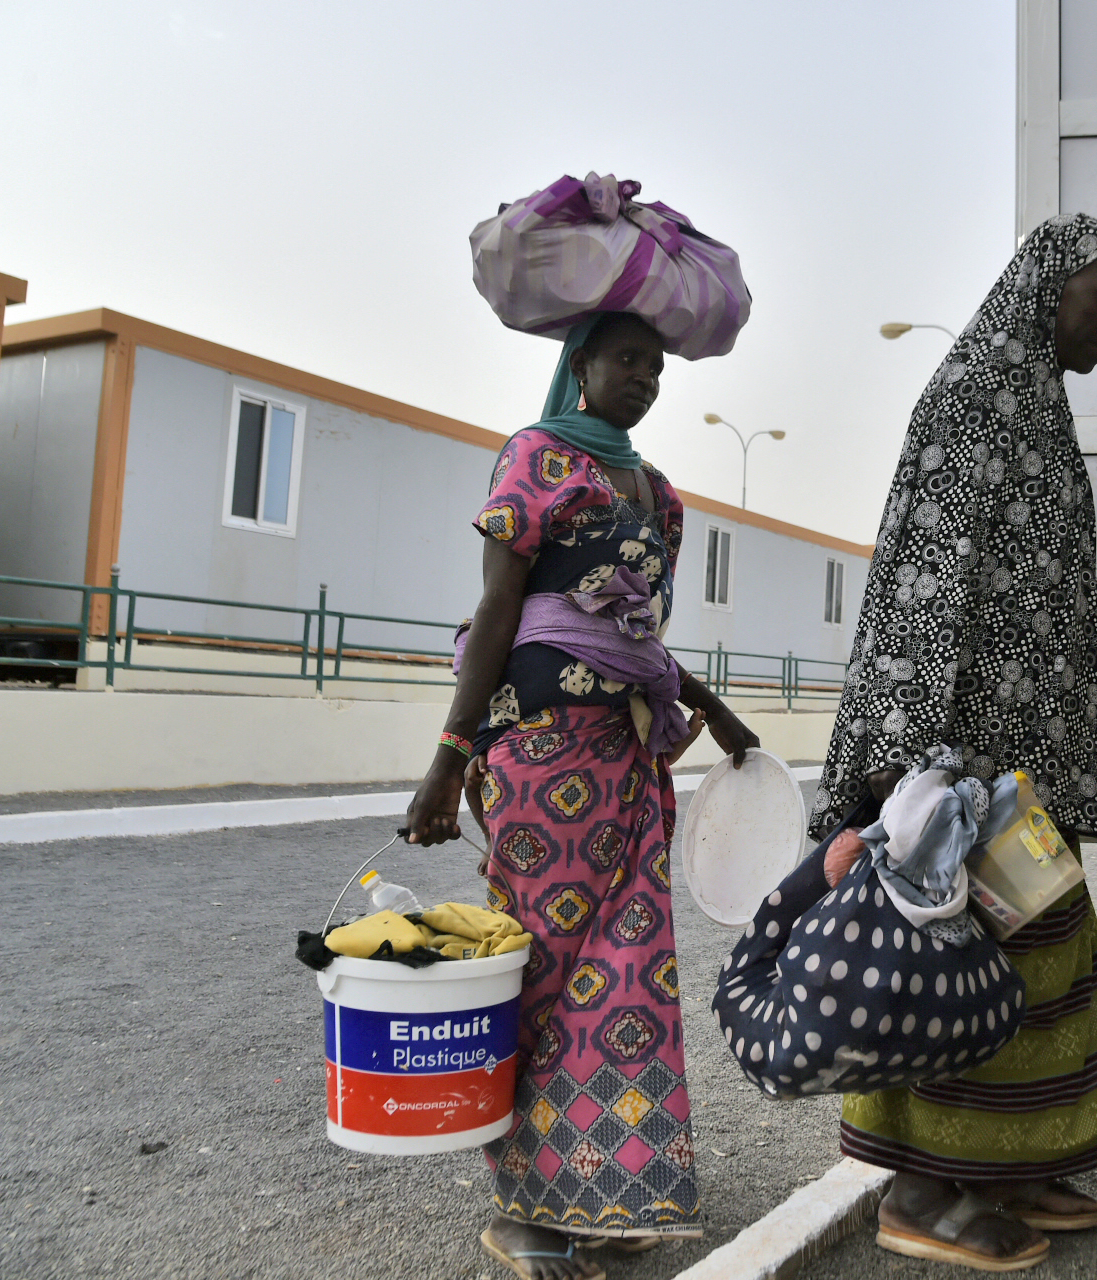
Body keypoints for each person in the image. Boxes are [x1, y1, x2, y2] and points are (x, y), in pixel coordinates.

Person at [809, 214, 1097, 1272]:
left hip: (1021, 757)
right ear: (1050, 288)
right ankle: (922, 1189)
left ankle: (1006, 1165)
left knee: (1033, 957)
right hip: (961, 757)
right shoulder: (971, 403)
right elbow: (930, 581)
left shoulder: (1034, 408)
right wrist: (904, 765)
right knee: (953, 962)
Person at [404, 310, 760, 1280]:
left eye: (655, 365)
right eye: (625, 360)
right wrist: (448, 758)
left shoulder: (659, 493)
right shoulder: (536, 457)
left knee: (630, 975)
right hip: (542, 756)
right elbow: (500, 609)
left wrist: (716, 711)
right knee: (547, 971)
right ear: (582, 364)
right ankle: (522, 1207)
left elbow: (633, 633)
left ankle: (608, 1183)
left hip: (628, 759)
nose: (642, 377)